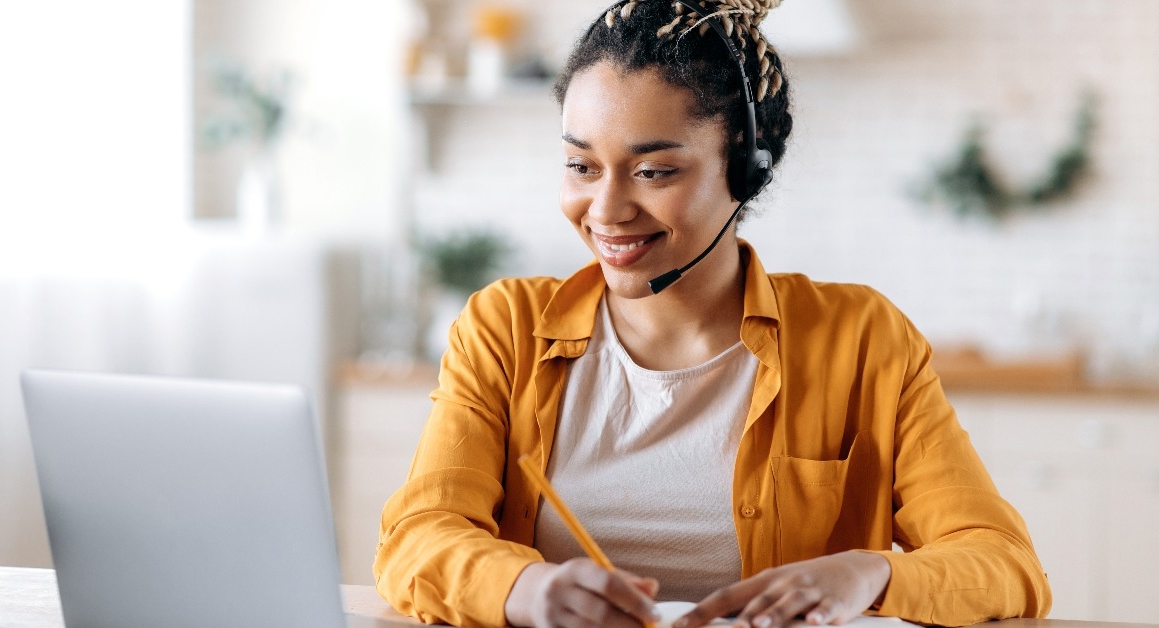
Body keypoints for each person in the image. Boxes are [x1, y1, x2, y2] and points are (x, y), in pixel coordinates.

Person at [375, 1, 1052, 627]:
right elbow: (418, 536)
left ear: (746, 172)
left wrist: (869, 572)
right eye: (581, 167)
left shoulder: (863, 339)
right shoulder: (504, 330)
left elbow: (1004, 564)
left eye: (654, 172)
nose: (606, 210)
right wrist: (524, 590)